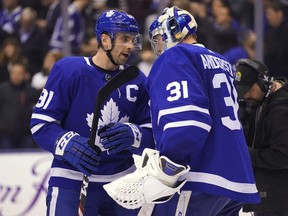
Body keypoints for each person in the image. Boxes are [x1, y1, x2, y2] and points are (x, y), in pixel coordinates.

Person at [30, 9, 154, 216]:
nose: (130, 46)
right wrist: (65, 142)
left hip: (122, 185)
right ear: (105, 40)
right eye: (124, 39)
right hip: (71, 180)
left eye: (133, 39)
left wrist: (136, 135)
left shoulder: (137, 80)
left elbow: (153, 133)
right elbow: (41, 123)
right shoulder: (68, 71)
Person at [139, 6, 260, 215]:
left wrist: (168, 168)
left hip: (200, 176)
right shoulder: (221, 61)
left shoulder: (176, 56)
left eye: (159, 38)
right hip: (236, 178)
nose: (158, 46)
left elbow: (187, 125)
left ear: (174, 31)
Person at [235, 58, 288, 216]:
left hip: (280, 202)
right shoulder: (263, 100)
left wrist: (245, 155)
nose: (245, 95)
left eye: (249, 89)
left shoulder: (282, 110)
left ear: (263, 82)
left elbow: (283, 156)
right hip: (270, 198)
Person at [0, 61, 40, 149]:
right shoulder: (2, 90)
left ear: (25, 75)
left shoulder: (31, 91)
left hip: (26, 135)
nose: (16, 76)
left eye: (19, 73)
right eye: (14, 73)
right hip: (6, 135)